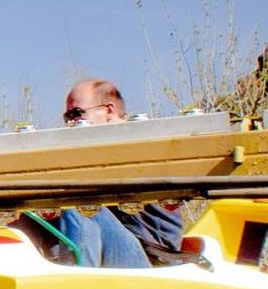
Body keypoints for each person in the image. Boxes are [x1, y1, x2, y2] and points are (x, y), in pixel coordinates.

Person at [48, 78, 186, 268]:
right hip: (116, 246)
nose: (72, 122)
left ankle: (77, 281)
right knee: (26, 210)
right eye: (67, 117)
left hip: (149, 260)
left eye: (77, 113)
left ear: (108, 110)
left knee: (76, 201)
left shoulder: (140, 146)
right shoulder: (95, 157)